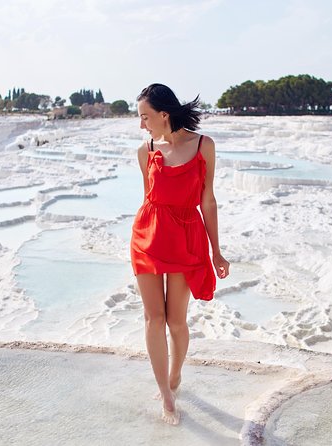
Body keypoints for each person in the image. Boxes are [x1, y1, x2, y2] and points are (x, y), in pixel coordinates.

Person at [130, 83, 230, 425]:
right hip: (148, 237)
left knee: (176, 320)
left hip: (186, 236)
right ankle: (167, 398)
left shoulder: (204, 146)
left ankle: (174, 377)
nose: (142, 124)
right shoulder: (145, 150)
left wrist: (216, 252)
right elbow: (149, 198)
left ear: (164, 114)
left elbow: (208, 201)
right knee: (153, 318)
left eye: (145, 117)